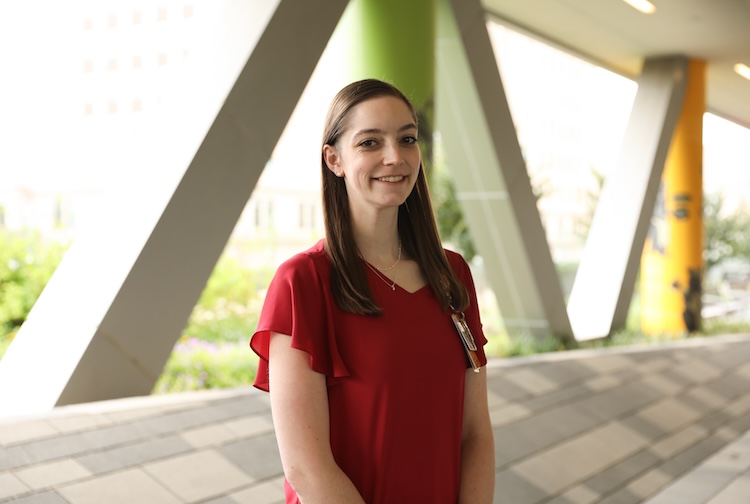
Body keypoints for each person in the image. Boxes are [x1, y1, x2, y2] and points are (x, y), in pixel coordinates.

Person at [250, 78, 495, 503]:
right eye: (369, 143)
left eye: (407, 139)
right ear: (334, 159)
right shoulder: (302, 284)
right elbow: (307, 468)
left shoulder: (452, 275)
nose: (394, 157)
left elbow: (475, 433)